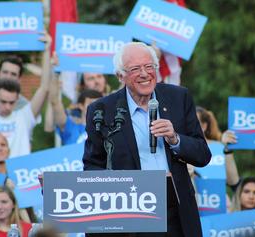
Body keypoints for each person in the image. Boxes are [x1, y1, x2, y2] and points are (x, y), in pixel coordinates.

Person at [83, 42, 211, 237]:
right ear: (120, 76)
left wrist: (175, 139)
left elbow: (203, 154)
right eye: (135, 69)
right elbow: (93, 165)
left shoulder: (178, 97)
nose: (144, 73)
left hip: (174, 206)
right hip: (129, 208)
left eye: (149, 66)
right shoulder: (102, 110)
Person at [0, 76, 50, 158]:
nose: (7, 107)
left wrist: (48, 62)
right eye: (3, 102)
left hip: (20, 169)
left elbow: (44, 88)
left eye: (11, 103)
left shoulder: (24, 116)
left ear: (17, 99)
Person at [0, 33, 52, 111]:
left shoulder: (24, 106)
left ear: (19, 79)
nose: (8, 77)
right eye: (5, 72)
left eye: (13, 74)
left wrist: (47, 50)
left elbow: (44, 88)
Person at [49, 78, 102, 145]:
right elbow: (55, 102)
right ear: (81, 106)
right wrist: (54, 79)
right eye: (92, 104)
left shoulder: (109, 130)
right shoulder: (71, 127)